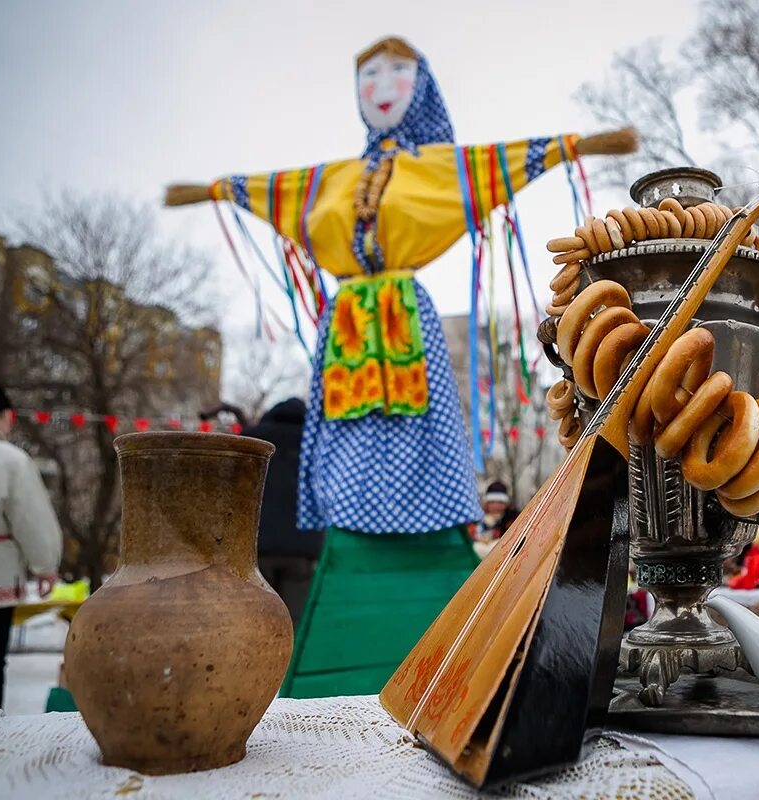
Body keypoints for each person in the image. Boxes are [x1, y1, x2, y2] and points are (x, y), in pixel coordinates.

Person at [164, 36, 635, 697]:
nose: (380, 85)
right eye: (369, 74)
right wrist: (214, 190)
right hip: (349, 323)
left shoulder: (435, 169)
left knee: (416, 414)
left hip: (401, 320)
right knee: (350, 424)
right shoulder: (331, 181)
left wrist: (574, 147)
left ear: (423, 84)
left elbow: (494, 163)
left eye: (396, 72)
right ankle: (355, 509)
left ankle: (423, 505)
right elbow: (275, 189)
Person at [0, 387, 62, 716]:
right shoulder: (10, 460)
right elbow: (30, 518)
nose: (10, 426)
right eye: (9, 419)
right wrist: (45, 565)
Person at [241, 398, 322, 626]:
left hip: (258, 546)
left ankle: (258, 659)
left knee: (258, 617)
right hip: (303, 548)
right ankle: (290, 659)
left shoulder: (252, 439)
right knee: (293, 618)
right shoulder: (316, 442)